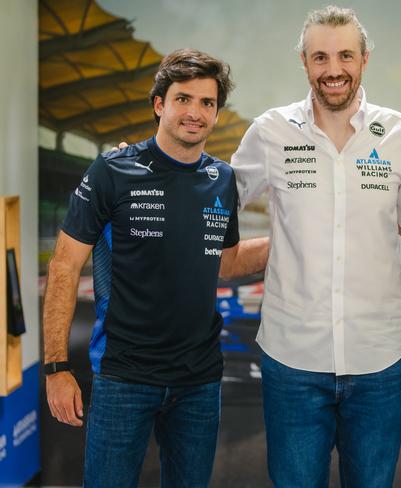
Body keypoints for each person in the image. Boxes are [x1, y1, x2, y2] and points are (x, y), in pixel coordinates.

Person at [230, 5, 401, 487]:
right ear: (304, 63)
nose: (334, 70)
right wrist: (154, 165)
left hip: (379, 361)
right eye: (320, 57)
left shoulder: (397, 132)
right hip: (292, 361)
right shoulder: (270, 131)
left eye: (345, 55)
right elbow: (216, 198)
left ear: (365, 59)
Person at [42, 48, 268, 488]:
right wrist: (56, 368)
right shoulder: (112, 169)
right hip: (124, 377)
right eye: (184, 99)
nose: (196, 113)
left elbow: (227, 263)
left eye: (207, 103)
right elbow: (64, 267)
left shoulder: (221, 179)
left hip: (198, 382)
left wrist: (292, 242)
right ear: (159, 104)